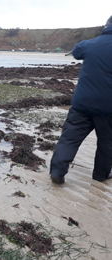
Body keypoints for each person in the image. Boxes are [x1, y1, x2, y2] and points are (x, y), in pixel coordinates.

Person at [50, 15, 112, 184]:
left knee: (69, 139)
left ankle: (57, 171)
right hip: (108, 109)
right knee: (107, 144)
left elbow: (77, 52)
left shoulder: (89, 44)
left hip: (82, 104)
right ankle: (101, 175)